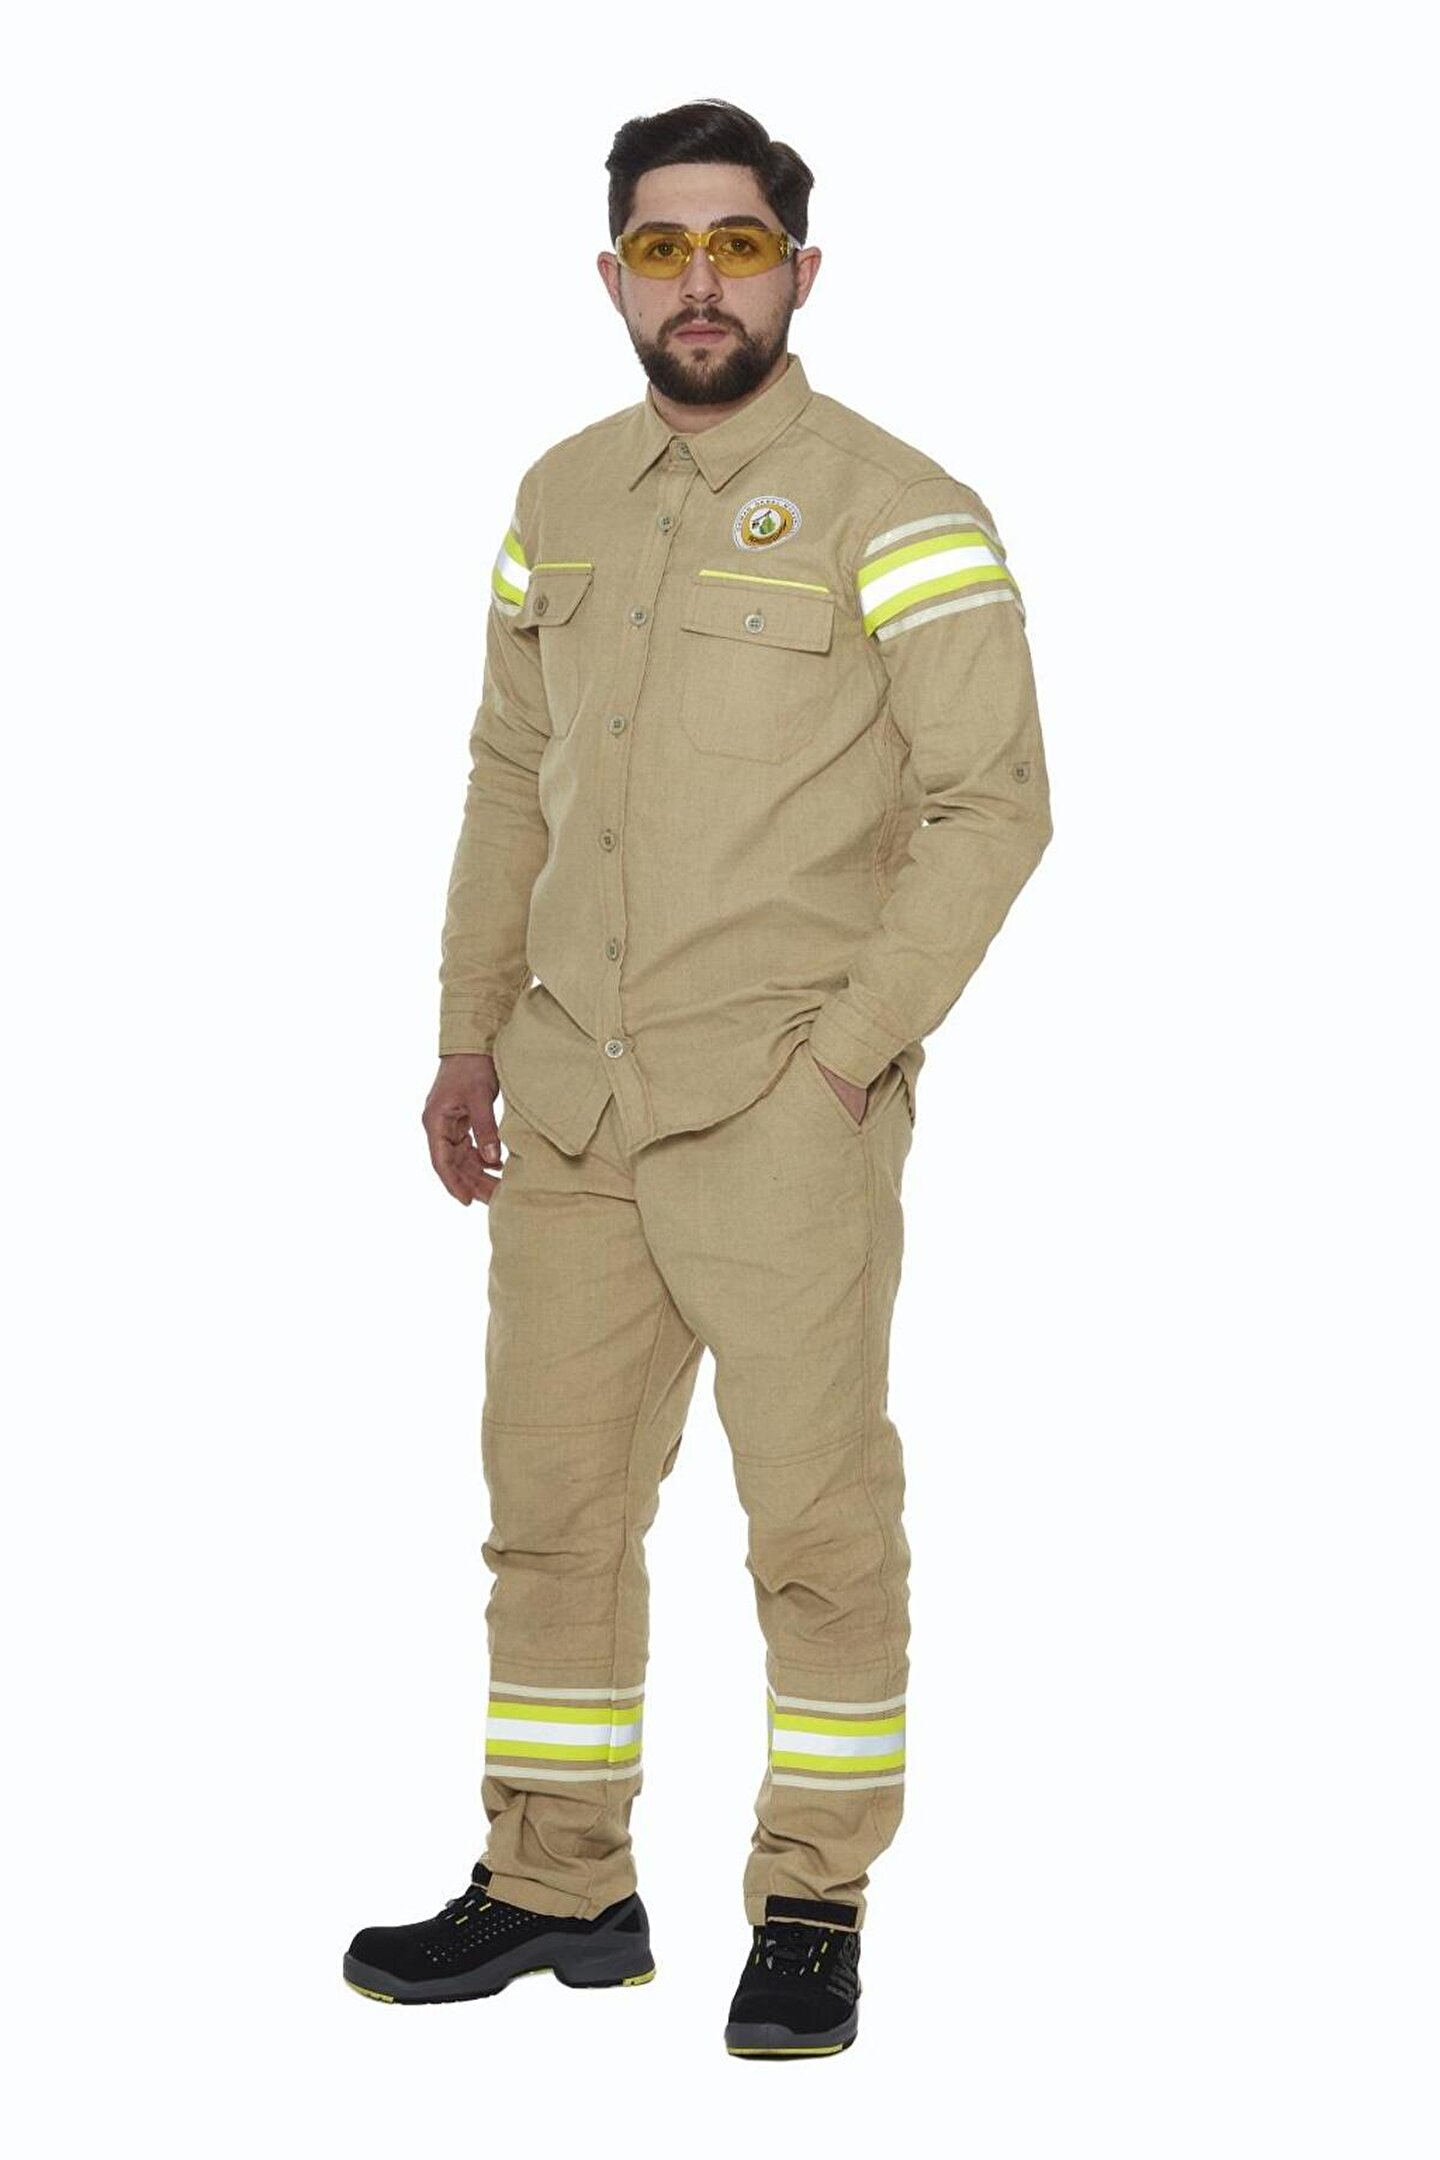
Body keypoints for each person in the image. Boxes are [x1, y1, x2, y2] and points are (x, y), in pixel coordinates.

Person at [343, 96, 1053, 2060]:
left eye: (738, 245)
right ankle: (559, 1884)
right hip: (569, 1101)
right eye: (663, 248)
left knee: (815, 1524)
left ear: (800, 271)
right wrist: (467, 1030)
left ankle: (813, 1900)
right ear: (613, 276)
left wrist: (848, 1058)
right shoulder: (559, 493)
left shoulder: (900, 505)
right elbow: (509, 775)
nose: (702, 282)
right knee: (552, 1515)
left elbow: (995, 805)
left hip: (778, 1113)